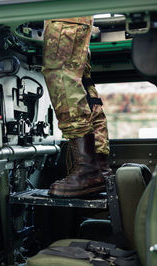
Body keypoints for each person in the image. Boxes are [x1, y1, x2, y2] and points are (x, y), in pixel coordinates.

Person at [42, 16, 112, 197]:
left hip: (62, 15)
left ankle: (87, 170)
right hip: (75, 16)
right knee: (81, 80)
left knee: (60, 75)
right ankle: (99, 166)